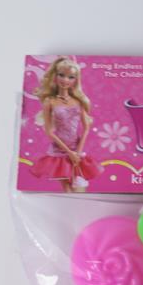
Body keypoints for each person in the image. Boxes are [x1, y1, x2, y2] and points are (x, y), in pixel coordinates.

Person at [31, 57, 99, 192]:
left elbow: (86, 128)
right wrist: (69, 152)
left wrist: (77, 152)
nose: (65, 80)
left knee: (78, 185)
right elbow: (49, 131)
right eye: (61, 75)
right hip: (60, 150)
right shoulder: (50, 101)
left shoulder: (78, 101)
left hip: (76, 147)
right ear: (55, 76)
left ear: (76, 80)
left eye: (71, 77)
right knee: (66, 187)